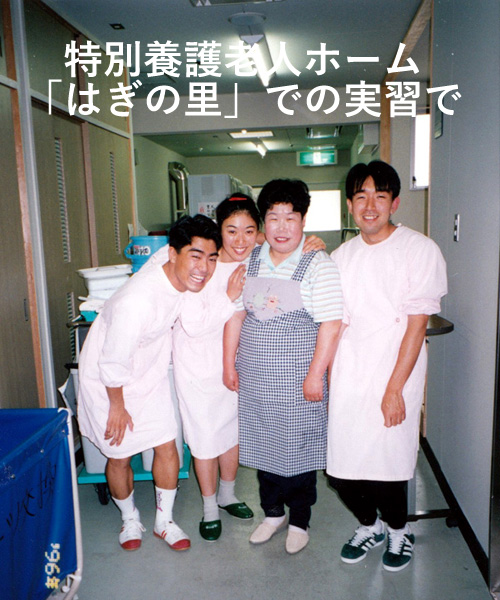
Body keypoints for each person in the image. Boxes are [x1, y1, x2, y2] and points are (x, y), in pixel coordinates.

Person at [169, 194, 325, 542]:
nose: (240, 239)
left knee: (235, 433)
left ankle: (228, 495)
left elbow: (283, 240)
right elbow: (199, 321)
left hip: (246, 366)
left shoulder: (256, 258)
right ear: (219, 230)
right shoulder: (202, 264)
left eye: (248, 231)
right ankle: (210, 507)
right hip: (200, 366)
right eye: (231, 231)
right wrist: (228, 297)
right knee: (205, 438)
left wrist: (310, 241)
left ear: (257, 232)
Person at [327, 160, 447, 572]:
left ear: (394, 202)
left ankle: (399, 531)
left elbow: (416, 325)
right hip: (350, 371)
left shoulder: (419, 249)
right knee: (341, 470)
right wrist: (327, 378)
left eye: (380, 196)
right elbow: (337, 324)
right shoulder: (341, 256)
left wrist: (395, 389)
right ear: (349, 205)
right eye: (361, 196)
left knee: (388, 467)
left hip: (395, 370)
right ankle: (370, 525)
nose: (370, 205)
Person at [77, 214, 221, 553]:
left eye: (211, 258)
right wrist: (117, 406)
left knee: (167, 444)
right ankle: (130, 518)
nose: (204, 268)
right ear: (173, 254)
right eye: (195, 256)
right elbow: (113, 360)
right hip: (109, 379)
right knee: (120, 455)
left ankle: (163, 521)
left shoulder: (170, 263)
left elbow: (225, 250)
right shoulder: (137, 301)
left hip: (147, 371)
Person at [223, 180, 343, 555]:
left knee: (299, 451)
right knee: (264, 447)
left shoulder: (318, 263)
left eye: (290, 217)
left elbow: (332, 324)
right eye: (273, 217)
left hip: (297, 379)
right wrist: (229, 364)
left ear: (303, 220)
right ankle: (272, 513)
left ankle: (299, 520)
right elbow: (237, 313)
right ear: (264, 222)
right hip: (256, 377)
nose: (281, 226)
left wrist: (315, 375)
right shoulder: (253, 258)